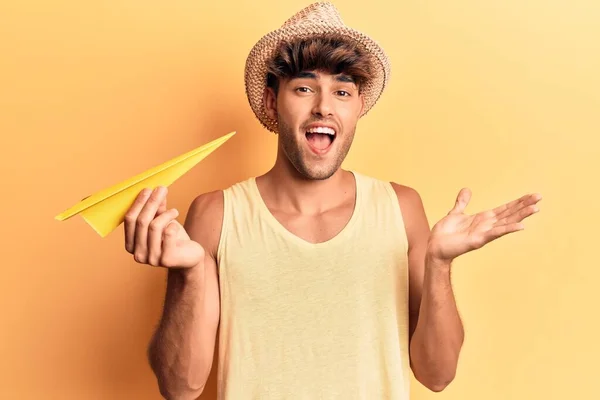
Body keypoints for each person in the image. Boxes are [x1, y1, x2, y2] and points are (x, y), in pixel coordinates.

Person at [123, 2, 542, 399]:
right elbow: (180, 388)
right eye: (304, 88)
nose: (324, 107)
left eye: (342, 92)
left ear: (358, 105)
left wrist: (439, 265)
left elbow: (437, 375)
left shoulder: (400, 208)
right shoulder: (217, 214)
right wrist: (191, 273)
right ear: (273, 101)